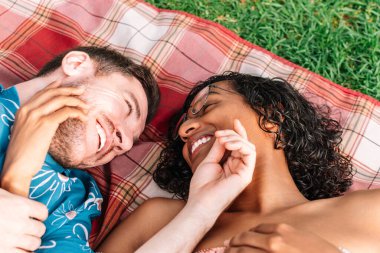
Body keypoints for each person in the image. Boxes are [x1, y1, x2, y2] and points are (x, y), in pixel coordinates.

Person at [98, 72, 380, 253]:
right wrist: (198, 213)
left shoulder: (369, 211)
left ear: (273, 116)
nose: (185, 131)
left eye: (207, 107)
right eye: (182, 131)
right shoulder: (160, 219)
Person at [0, 46, 159, 253]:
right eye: (127, 106)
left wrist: (17, 178)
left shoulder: (74, 203)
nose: (126, 143)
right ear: (75, 65)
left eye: (130, 141)